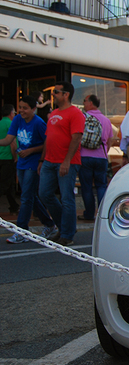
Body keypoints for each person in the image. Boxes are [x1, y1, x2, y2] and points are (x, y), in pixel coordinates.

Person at [0, 96, 57, 244]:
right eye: (20, 107)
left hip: (33, 162)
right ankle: (50, 224)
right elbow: (8, 139)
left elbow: (47, 143)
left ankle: (22, 231)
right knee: (30, 195)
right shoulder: (17, 120)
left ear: (33, 109)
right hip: (22, 162)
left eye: (25, 108)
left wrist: (33, 153)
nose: (21, 110)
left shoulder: (39, 123)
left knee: (26, 197)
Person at [38, 81, 85, 246]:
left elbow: (76, 138)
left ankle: (67, 233)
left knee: (67, 198)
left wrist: (66, 161)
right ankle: (64, 227)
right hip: (49, 161)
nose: (53, 95)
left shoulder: (76, 113)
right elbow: (48, 138)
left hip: (67, 162)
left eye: (56, 92)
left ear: (66, 94)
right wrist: (42, 160)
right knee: (44, 194)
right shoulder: (54, 113)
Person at [78, 94, 114, 221]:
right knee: (101, 186)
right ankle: (102, 214)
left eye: (84, 100)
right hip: (101, 157)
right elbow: (110, 140)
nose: (83, 103)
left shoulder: (82, 118)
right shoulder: (106, 120)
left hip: (85, 156)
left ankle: (89, 214)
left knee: (86, 187)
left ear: (91, 103)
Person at [0, 104, 19, 215]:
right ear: (11, 113)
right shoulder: (11, 124)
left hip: (0, 156)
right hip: (7, 157)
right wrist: (15, 157)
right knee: (5, 183)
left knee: (9, 183)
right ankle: (14, 206)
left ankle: (13, 206)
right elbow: (12, 143)